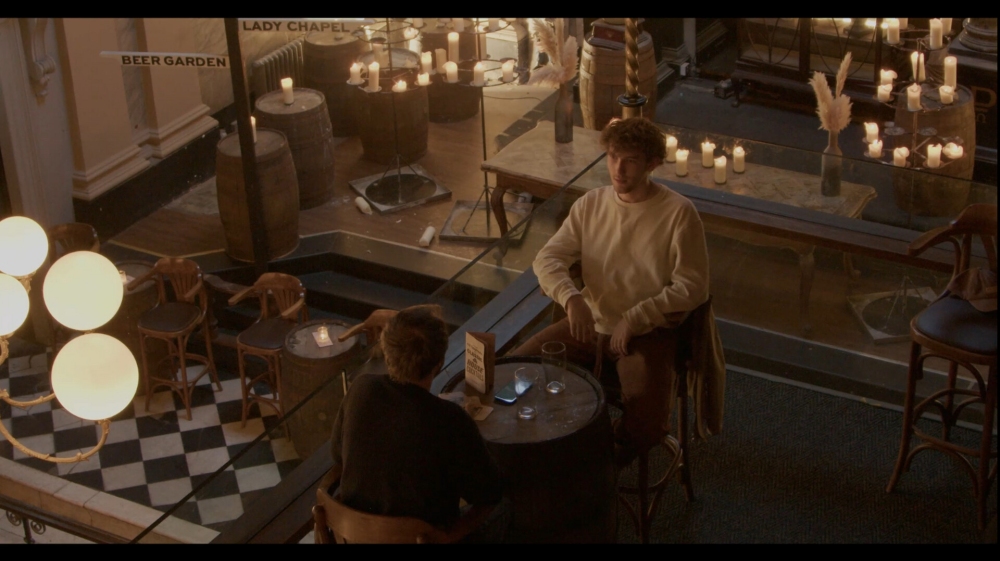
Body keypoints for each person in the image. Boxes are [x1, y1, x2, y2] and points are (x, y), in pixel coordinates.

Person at [509, 116, 711, 466]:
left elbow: (694, 286)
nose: (618, 169)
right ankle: (557, 455)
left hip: (645, 335)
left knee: (647, 426)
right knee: (515, 372)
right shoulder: (592, 203)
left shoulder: (679, 213)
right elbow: (547, 258)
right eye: (613, 156)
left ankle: (600, 467)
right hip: (590, 326)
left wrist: (636, 318)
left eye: (630, 160)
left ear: (652, 164)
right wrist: (572, 298)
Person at [329, 305, 506, 541]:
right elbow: (489, 493)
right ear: (439, 362)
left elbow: (337, 454)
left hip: (355, 537)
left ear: (386, 350)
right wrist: (448, 536)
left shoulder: (360, 389)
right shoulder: (450, 419)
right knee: (505, 507)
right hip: (424, 540)